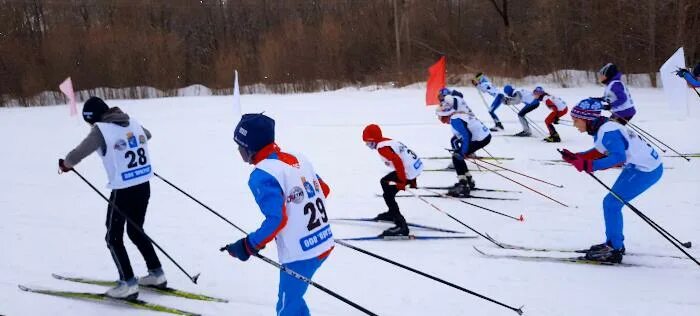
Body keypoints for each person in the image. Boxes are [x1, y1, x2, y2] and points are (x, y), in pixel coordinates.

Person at [225, 113, 334, 316]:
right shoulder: (298, 158)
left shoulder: (262, 175)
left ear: (250, 148)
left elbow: (277, 219)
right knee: (293, 302)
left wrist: (247, 246)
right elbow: (324, 190)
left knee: (287, 308)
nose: (238, 150)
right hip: (324, 241)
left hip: (301, 254)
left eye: (239, 145)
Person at [58, 97, 165, 299]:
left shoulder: (100, 129)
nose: (90, 126)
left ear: (92, 118)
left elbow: (79, 153)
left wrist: (66, 164)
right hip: (143, 185)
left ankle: (128, 283)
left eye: (88, 122)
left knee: (113, 237)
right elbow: (146, 135)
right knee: (135, 231)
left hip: (123, 190)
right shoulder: (130, 121)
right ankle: (157, 274)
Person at [561, 98, 662, 263]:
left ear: (588, 119)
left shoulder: (607, 131)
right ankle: (613, 244)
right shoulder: (604, 128)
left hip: (647, 170)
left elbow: (618, 157)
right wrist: (578, 157)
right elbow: (601, 151)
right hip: (639, 166)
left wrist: (589, 165)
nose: (574, 124)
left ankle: (615, 249)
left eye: (576, 120)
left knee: (611, 204)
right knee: (611, 203)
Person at [362, 124, 423, 237]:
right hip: (414, 168)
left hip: (407, 171)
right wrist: (412, 179)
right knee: (385, 183)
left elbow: (398, 162)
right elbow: (406, 156)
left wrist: (402, 181)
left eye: (368, 142)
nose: (367, 145)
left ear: (373, 140)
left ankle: (401, 226)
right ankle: (392, 213)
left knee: (388, 195)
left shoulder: (382, 148)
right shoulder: (387, 141)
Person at [436, 91, 492, 197]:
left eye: (440, 118)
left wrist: (464, 151)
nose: (441, 120)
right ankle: (468, 180)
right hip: (484, 136)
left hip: (481, 138)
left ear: (445, 115)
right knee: (458, 155)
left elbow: (467, 136)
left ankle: (463, 185)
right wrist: (462, 151)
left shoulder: (455, 119)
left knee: (457, 157)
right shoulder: (457, 116)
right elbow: (463, 135)